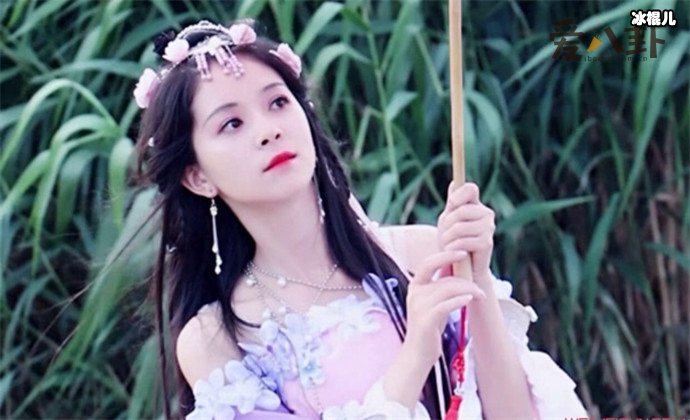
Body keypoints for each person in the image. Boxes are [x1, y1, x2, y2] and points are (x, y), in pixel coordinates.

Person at [133, 19, 588, 419]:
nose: (269, 130)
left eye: (278, 103)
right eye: (232, 124)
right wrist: (415, 356)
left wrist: (478, 276)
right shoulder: (215, 338)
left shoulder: (422, 255)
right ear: (197, 176)